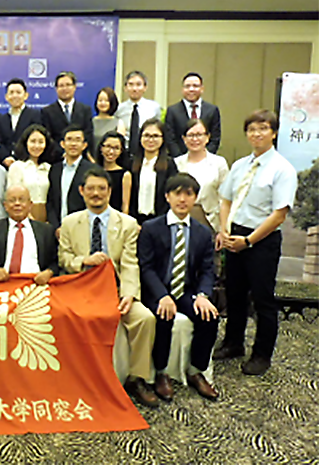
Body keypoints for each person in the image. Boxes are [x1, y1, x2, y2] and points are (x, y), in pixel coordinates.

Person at [58, 168, 158, 408]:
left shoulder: (128, 224)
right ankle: (72, 381)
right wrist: (83, 260)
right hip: (81, 289)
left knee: (145, 318)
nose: (96, 194)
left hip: (115, 290)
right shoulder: (70, 222)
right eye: (90, 188)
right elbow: (63, 258)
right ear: (81, 191)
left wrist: (129, 295)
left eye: (102, 188)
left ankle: (138, 378)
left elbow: (131, 263)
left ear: (110, 191)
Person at [214, 110, 297, 376]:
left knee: (262, 300)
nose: (256, 134)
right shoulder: (239, 165)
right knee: (235, 294)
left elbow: (279, 215)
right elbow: (226, 200)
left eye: (263, 129)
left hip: (261, 240)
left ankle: (262, 354)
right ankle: (233, 343)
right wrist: (225, 230)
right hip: (235, 236)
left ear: (273, 133)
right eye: (251, 129)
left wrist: (248, 241)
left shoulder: (283, 168)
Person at [138, 173, 219, 401]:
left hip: (186, 292)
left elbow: (207, 270)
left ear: (195, 198)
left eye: (188, 194)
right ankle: (161, 373)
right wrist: (162, 295)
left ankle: (196, 371)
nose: (182, 199)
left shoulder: (202, 232)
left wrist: (203, 295)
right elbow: (146, 267)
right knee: (164, 315)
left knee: (209, 317)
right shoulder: (151, 228)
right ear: (167, 197)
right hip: (157, 292)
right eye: (177, 194)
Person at [0, 185, 58, 285]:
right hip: (2, 284)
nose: (17, 204)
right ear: (5, 206)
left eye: (22, 200)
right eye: (12, 200)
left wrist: (49, 272)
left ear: (30, 204)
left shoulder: (46, 230)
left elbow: (55, 262)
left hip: (36, 285)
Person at [174, 119, 229, 232]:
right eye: (191, 135)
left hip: (211, 221)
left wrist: (223, 229)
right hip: (180, 220)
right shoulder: (176, 163)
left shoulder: (219, 163)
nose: (195, 139)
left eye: (199, 135)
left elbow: (225, 198)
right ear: (184, 139)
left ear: (207, 137)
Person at [46, 125, 98, 232]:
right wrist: (56, 227)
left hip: (83, 228)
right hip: (57, 230)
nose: (73, 144)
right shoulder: (54, 169)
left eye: (77, 140)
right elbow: (51, 201)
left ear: (84, 145)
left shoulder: (92, 170)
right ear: (62, 144)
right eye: (69, 140)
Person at [129, 118, 178, 224]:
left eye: (155, 136)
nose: (150, 140)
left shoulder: (169, 165)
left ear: (163, 138)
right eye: (146, 135)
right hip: (135, 222)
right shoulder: (131, 163)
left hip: (160, 222)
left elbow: (171, 195)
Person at [165, 73, 222, 157]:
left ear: (202, 89)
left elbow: (215, 138)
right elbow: (170, 139)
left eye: (195, 86)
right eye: (187, 86)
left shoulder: (212, 110)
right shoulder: (172, 111)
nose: (191, 89)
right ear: (182, 89)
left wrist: (204, 157)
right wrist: (181, 159)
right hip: (179, 161)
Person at [7, 124, 54, 222]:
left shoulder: (49, 168)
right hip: (24, 218)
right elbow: (12, 196)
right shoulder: (17, 167)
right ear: (25, 143)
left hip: (47, 220)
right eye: (33, 141)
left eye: (41, 142)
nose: (36, 146)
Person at [42, 71, 94, 159]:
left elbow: (88, 134)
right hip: (56, 159)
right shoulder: (47, 111)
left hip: (81, 159)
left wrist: (77, 152)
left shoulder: (85, 110)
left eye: (68, 85)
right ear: (56, 89)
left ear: (74, 87)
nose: (65, 88)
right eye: (61, 86)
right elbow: (48, 137)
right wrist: (63, 152)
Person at [114, 71, 162, 158]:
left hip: (146, 152)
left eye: (138, 84)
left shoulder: (154, 107)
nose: (134, 88)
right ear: (125, 88)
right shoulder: (119, 109)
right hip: (124, 153)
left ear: (145, 87)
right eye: (131, 85)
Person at [0, 78, 42, 159]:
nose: (15, 96)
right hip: (6, 164)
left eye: (18, 92)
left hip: (28, 162)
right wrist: (5, 157)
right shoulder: (1, 119)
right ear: (6, 97)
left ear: (25, 96)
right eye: (11, 93)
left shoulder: (36, 115)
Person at [96, 131, 131, 214]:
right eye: (108, 146)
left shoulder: (125, 175)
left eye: (116, 148)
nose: (111, 152)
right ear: (101, 148)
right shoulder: (94, 171)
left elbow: (125, 205)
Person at [92, 87, 126, 157]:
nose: (103, 103)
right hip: (92, 162)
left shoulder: (118, 123)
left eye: (106, 100)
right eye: (100, 100)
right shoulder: (91, 122)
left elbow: (120, 147)